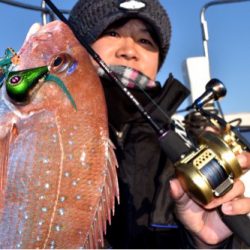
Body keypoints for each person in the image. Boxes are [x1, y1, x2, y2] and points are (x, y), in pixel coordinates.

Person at [69, 0, 250, 248]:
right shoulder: (43, 127)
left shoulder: (185, 150)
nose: (129, 50)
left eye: (145, 41)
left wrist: (207, 243)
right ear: (78, 48)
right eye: (112, 33)